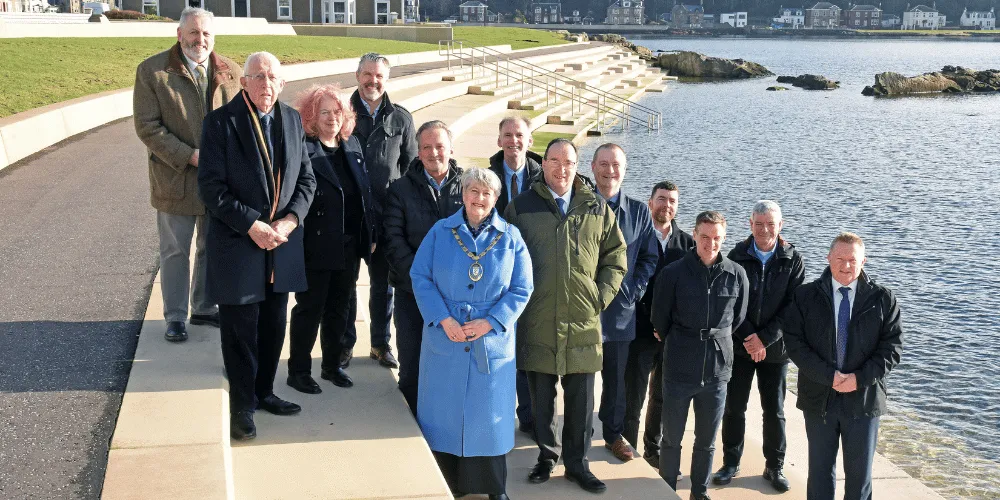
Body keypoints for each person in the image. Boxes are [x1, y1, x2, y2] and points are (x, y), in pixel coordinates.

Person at [198, 52, 316, 441]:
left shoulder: (292, 120)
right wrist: (252, 224)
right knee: (240, 331)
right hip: (239, 242)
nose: (266, 83)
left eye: (272, 77)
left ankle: (265, 392)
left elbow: (307, 180)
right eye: (258, 76)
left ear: (282, 83)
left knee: (274, 324)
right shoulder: (220, 123)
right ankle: (242, 406)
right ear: (244, 82)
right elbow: (211, 188)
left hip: (282, 242)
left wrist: (290, 219)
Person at [503, 138, 627, 494]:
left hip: (583, 322)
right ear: (543, 164)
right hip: (538, 319)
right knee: (541, 400)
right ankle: (546, 457)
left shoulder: (596, 207)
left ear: (577, 166)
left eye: (568, 162)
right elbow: (506, 259)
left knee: (581, 402)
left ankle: (577, 464)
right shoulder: (521, 207)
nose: (561, 168)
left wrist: (598, 297)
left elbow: (616, 257)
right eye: (554, 160)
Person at [410, 168, 534, 500]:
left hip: (490, 341)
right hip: (446, 337)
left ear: (496, 198)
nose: (479, 198)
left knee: (487, 419)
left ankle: (493, 488)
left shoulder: (510, 237)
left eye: (486, 193)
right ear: (463, 194)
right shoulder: (440, 232)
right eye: (473, 191)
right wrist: (443, 319)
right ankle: (447, 484)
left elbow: (522, 288)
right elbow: (420, 276)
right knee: (443, 416)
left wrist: (491, 321)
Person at [133, 7, 242, 342]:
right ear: (179, 35)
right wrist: (190, 156)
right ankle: (176, 316)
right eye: (194, 32)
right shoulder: (152, 72)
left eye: (206, 33)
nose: (200, 40)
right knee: (175, 251)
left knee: (211, 246)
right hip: (174, 178)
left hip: (217, 182)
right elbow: (148, 127)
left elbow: (241, 123)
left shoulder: (232, 71)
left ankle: (204, 307)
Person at [783, 232, 903, 500]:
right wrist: (829, 376)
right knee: (820, 474)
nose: (846, 266)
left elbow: (892, 349)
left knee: (860, 478)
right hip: (819, 398)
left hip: (864, 399)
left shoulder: (883, 299)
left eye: (853, 260)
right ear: (828, 258)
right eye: (840, 259)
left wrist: (858, 379)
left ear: (863, 261)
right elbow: (795, 344)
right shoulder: (805, 296)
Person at [285, 84, 377, 394]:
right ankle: (298, 371)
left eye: (337, 111)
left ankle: (332, 365)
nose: (332, 118)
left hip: (348, 244)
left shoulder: (352, 146)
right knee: (309, 309)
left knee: (340, 308)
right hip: (315, 244)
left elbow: (364, 194)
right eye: (324, 112)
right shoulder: (303, 148)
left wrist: (370, 233)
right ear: (311, 116)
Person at [651, 210, 749, 500]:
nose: (710, 243)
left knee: (706, 441)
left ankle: (699, 492)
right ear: (694, 235)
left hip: (717, 372)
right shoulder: (673, 273)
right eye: (704, 236)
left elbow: (737, 319)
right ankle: (667, 490)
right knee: (671, 439)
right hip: (679, 368)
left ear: (724, 238)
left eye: (717, 237)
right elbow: (660, 319)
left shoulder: (736, 274)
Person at [713, 200, 805, 491]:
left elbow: (793, 306)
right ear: (750, 224)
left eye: (771, 224)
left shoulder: (793, 260)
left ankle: (774, 466)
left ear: (781, 225)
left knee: (774, 411)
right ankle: (730, 462)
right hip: (740, 346)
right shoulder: (736, 256)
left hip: (776, 350)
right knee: (734, 407)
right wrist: (750, 337)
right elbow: (728, 302)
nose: (765, 229)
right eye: (759, 224)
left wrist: (765, 338)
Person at [383, 120, 464, 413]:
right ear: (418, 152)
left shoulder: (469, 187)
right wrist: (423, 282)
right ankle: (414, 420)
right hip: (412, 293)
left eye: (439, 146)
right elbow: (393, 242)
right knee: (413, 364)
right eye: (426, 147)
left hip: (456, 296)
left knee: (452, 364)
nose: (433, 153)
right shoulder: (399, 190)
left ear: (451, 149)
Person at [345, 52, 418, 370]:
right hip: (349, 217)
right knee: (345, 285)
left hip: (386, 218)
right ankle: (344, 344)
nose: (372, 81)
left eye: (379, 76)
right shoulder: (341, 113)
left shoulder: (401, 119)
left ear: (386, 80)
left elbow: (410, 169)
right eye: (367, 74)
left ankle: (379, 344)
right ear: (357, 75)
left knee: (382, 286)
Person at [590, 144, 657, 463]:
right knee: (579, 379)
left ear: (624, 169)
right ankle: (576, 434)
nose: (610, 170)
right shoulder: (579, 206)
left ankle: (613, 435)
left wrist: (633, 290)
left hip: (620, 311)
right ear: (593, 167)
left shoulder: (640, 212)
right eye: (603, 164)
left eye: (616, 164)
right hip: (583, 310)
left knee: (616, 381)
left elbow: (649, 257)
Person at [623, 181, 695, 469]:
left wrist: (669, 325)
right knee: (634, 395)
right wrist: (652, 321)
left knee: (661, 397)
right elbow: (628, 283)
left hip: (671, 336)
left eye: (672, 201)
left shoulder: (687, 244)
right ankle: (627, 445)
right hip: (640, 331)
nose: (667, 205)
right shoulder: (636, 239)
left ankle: (652, 448)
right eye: (662, 199)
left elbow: (690, 293)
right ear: (650, 203)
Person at [487, 115, 542, 437]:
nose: (513, 141)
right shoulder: (487, 177)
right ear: (499, 141)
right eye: (507, 135)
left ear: (529, 141)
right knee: (498, 347)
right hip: (496, 277)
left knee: (528, 351)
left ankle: (530, 416)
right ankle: (497, 414)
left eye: (519, 135)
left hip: (533, 277)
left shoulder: (543, 178)